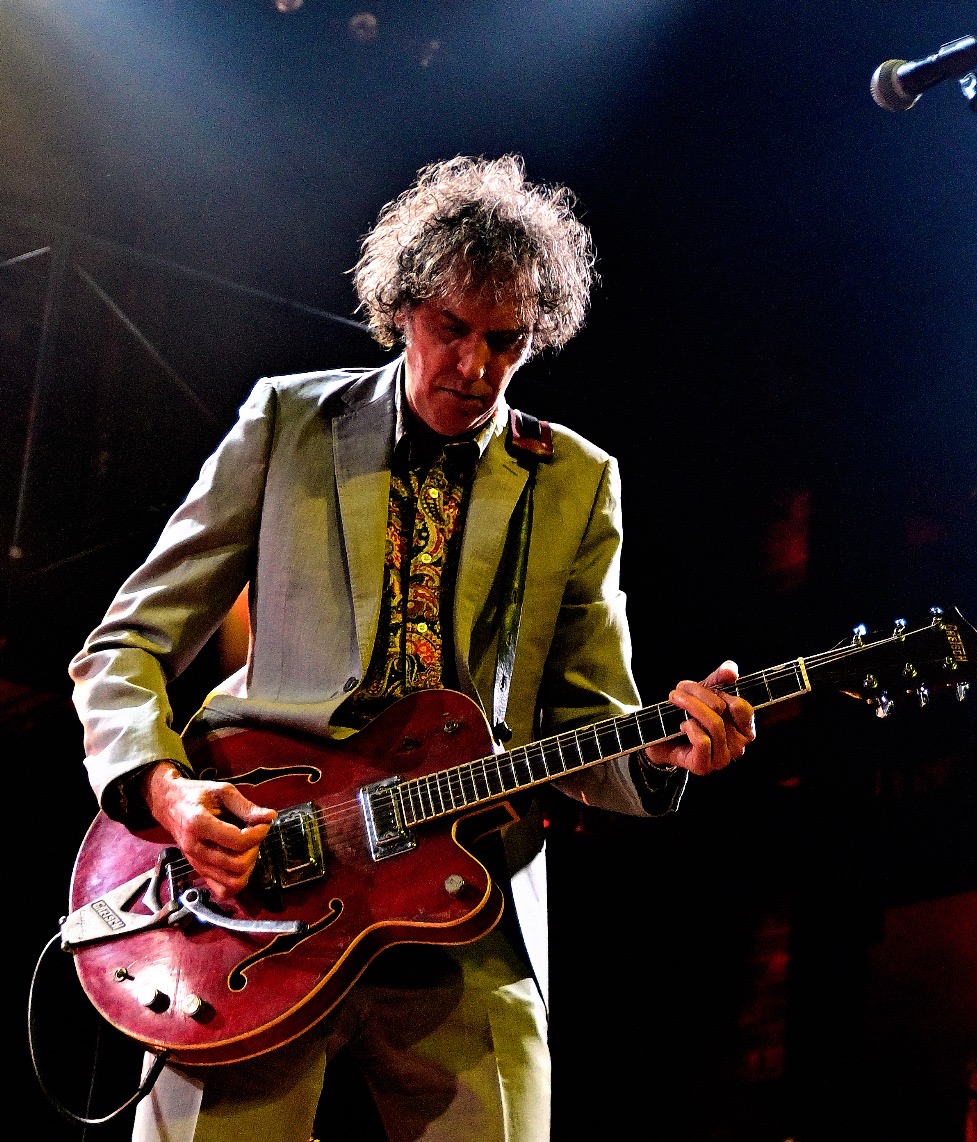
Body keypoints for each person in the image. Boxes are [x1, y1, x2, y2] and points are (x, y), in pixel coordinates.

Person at [68, 154, 756, 1142]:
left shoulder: (575, 480)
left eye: (505, 342)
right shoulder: (288, 422)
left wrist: (659, 752)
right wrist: (168, 793)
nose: (475, 367)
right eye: (450, 329)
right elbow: (127, 642)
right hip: (256, 891)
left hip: (465, 904)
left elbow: (592, 717)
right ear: (399, 310)